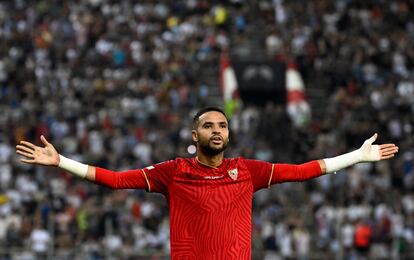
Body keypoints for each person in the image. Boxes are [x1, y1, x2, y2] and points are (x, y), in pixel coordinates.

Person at [16, 106, 398, 259]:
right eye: (208, 125)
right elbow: (115, 180)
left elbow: (303, 170)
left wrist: (357, 156)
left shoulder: (247, 170)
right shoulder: (173, 171)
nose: (217, 129)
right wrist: (61, 160)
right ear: (194, 134)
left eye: (223, 125)